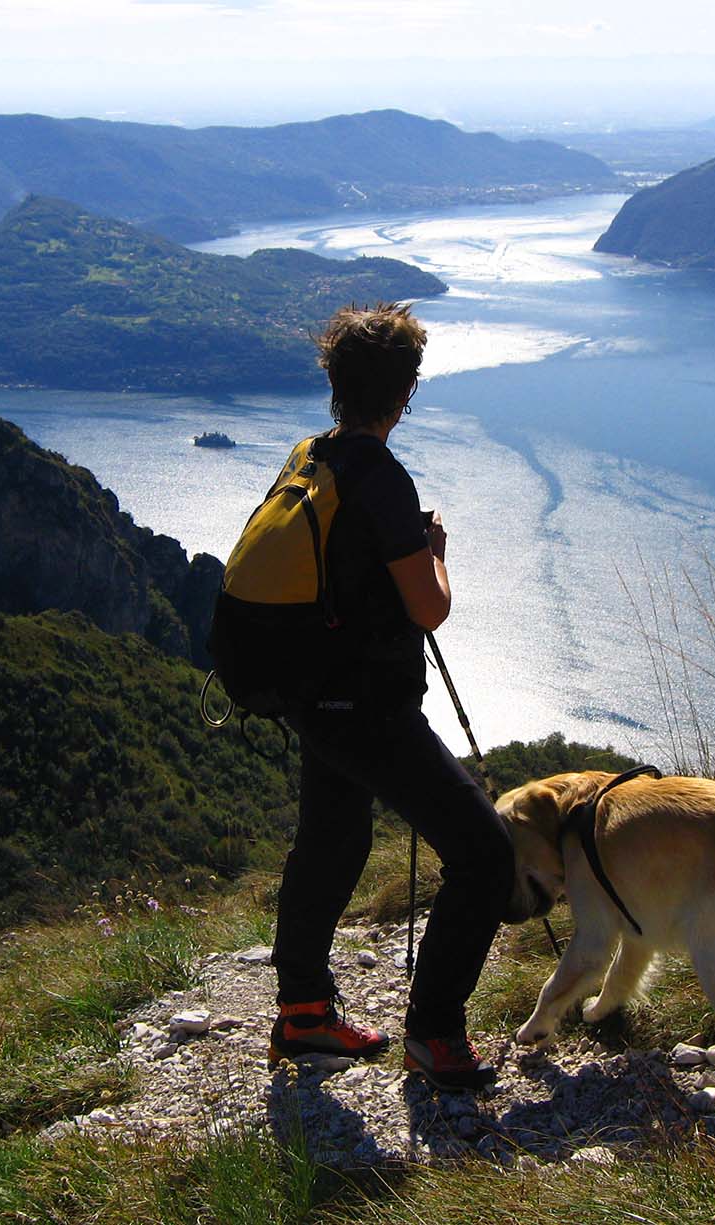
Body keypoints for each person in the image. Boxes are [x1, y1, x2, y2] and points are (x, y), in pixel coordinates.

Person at [264, 302, 515, 1091]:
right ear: (403, 392)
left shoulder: (311, 457)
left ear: (337, 384)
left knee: (333, 844)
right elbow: (429, 607)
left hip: (310, 694)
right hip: (369, 707)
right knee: (483, 852)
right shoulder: (382, 478)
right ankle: (435, 1033)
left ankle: (304, 1008)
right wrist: (434, 551)